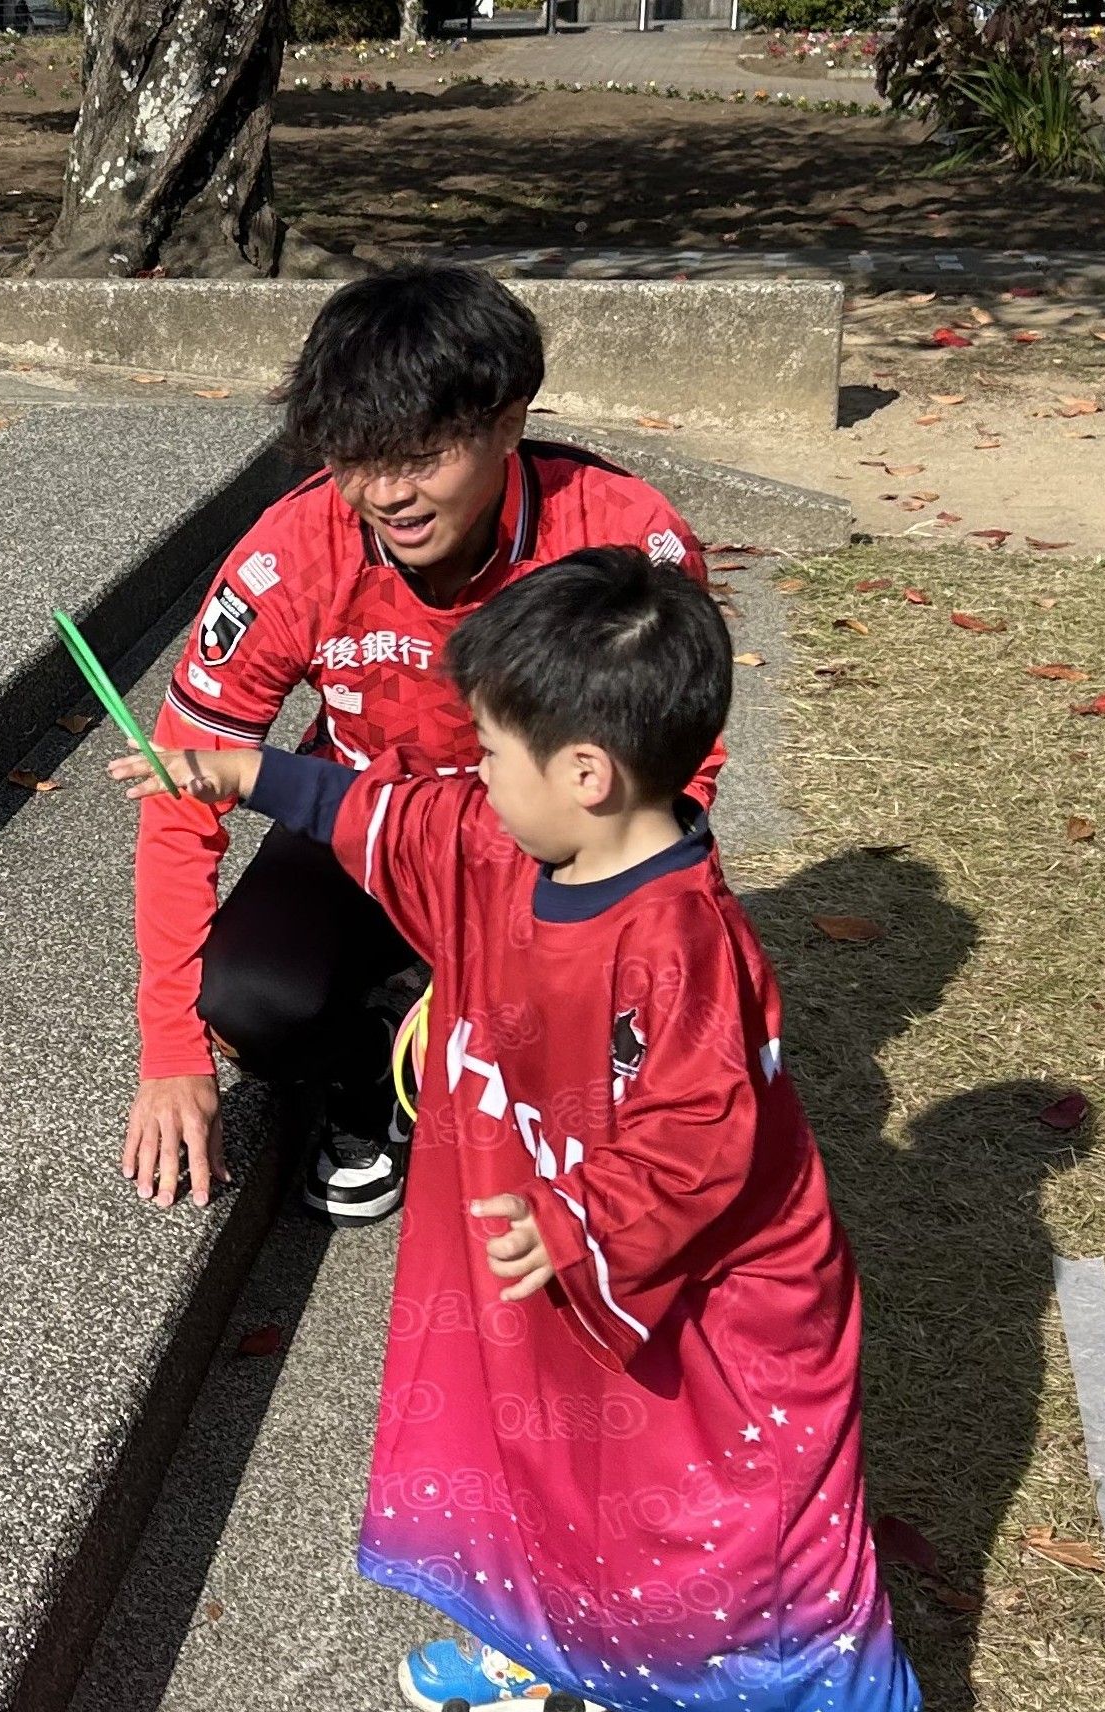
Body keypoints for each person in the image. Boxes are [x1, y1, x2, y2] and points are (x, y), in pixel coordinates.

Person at [111, 548, 939, 1712]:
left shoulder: (678, 946)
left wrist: (577, 1222)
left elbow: (699, 1136)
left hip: (705, 1306)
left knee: (739, 1513)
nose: (473, 775)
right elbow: (386, 812)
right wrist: (238, 774)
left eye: (491, 751)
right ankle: (555, 1637)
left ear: (586, 773)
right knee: (539, 1458)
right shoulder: (503, 843)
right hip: (553, 1258)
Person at [123, 263, 712, 1222]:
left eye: (423, 455)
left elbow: (680, 775)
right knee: (252, 1001)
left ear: (509, 422)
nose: (387, 494)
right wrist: (170, 1050)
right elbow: (181, 790)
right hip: (357, 817)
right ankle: (371, 1074)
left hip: (551, 845)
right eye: (356, 458)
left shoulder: (620, 542)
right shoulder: (290, 553)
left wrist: (589, 917)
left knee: (606, 1028)